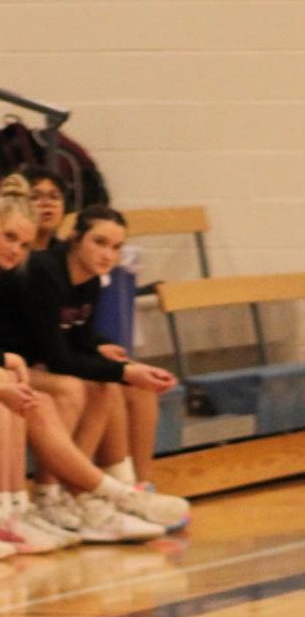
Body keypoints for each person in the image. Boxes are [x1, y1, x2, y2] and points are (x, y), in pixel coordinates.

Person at [15, 204, 190, 520]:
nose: (108, 254)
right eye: (99, 242)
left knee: (119, 386)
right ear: (75, 238)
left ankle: (132, 486)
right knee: (88, 385)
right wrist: (126, 371)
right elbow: (58, 356)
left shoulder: (91, 280)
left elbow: (79, 334)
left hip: (39, 362)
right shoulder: (45, 271)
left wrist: (103, 347)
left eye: (116, 247)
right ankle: (71, 490)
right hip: (14, 361)